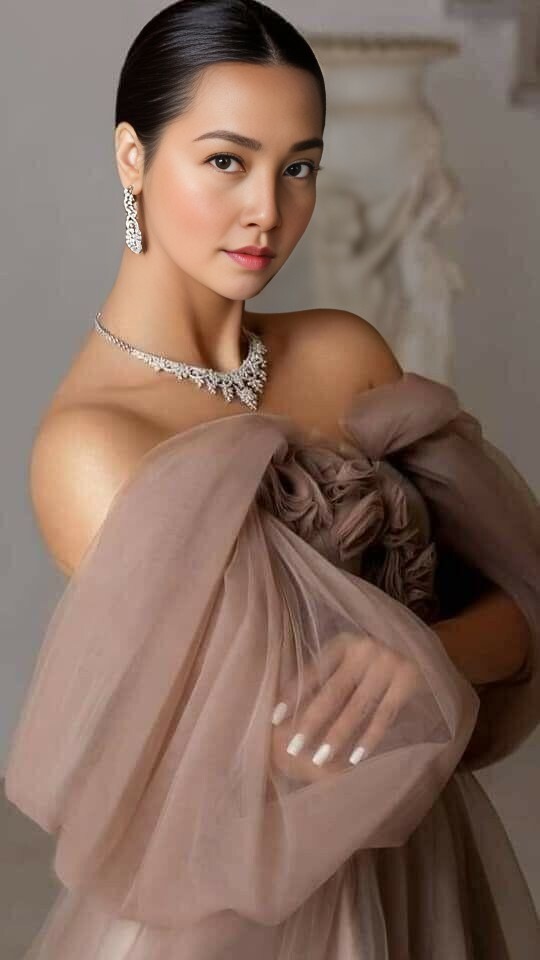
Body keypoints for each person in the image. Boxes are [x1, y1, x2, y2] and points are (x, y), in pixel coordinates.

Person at [4, 2, 540, 957]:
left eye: (299, 167)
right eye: (227, 160)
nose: (268, 209)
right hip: (247, 911)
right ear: (132, 157)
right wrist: (437, 656)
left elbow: (525, 610)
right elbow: (300, 741)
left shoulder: (347, 354)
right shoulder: (95, 445)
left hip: (426, 874)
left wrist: (420, 654)